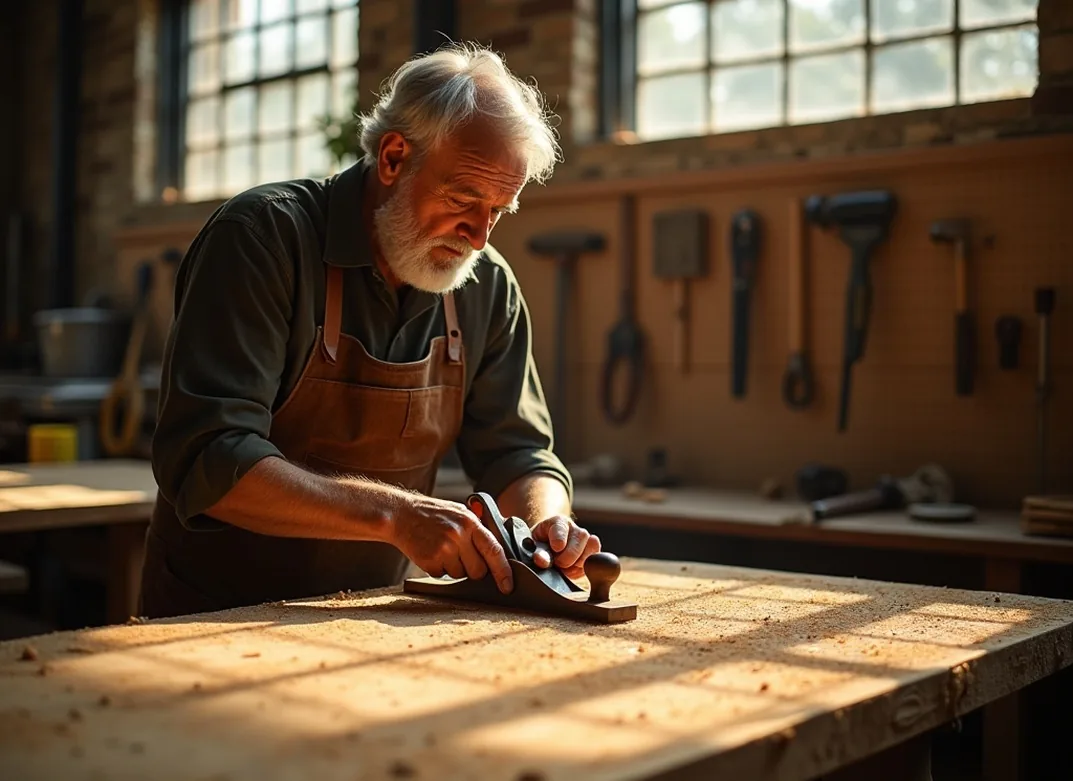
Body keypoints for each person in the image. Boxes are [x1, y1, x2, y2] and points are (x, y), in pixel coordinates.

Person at [139, 43, 601, 619]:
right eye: (463, 199)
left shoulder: (485, 286)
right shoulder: (263, 240)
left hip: (367, 617)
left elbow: (520, 452)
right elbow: (208, 455)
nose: (480, 236)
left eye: (499, 211)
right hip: (211, 618)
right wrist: (398, 516)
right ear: (392, 157)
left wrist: (546, 524)